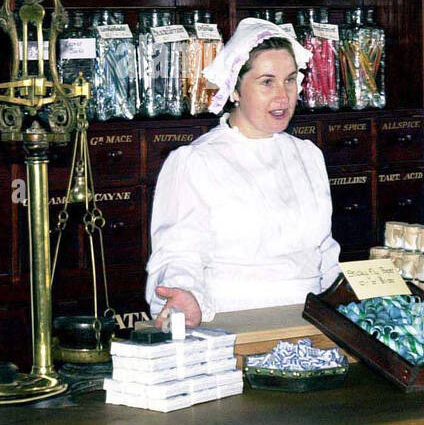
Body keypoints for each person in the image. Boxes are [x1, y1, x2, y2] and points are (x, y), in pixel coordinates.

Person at [145, 18, 341, 328]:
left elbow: (324, 251)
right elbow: (178, 253)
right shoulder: (197, 161)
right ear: (234, 89)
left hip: (309, 322)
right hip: (232, 326)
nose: (283, 95)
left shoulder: (307, 155)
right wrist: (184, 294)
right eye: (267, 82)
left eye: (290, 80)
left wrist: (345, 301)